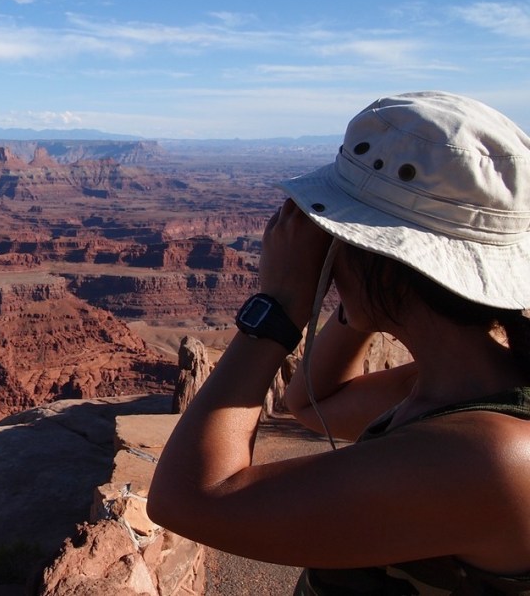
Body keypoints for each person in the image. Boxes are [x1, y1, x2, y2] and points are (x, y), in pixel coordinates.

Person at [147, 91, 530, 594]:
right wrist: (367, 295)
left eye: (335, 235)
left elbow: (187, 501)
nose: (324, 247)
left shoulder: (492, 455)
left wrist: (279, 308)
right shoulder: (460, 386)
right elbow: (311, 402)